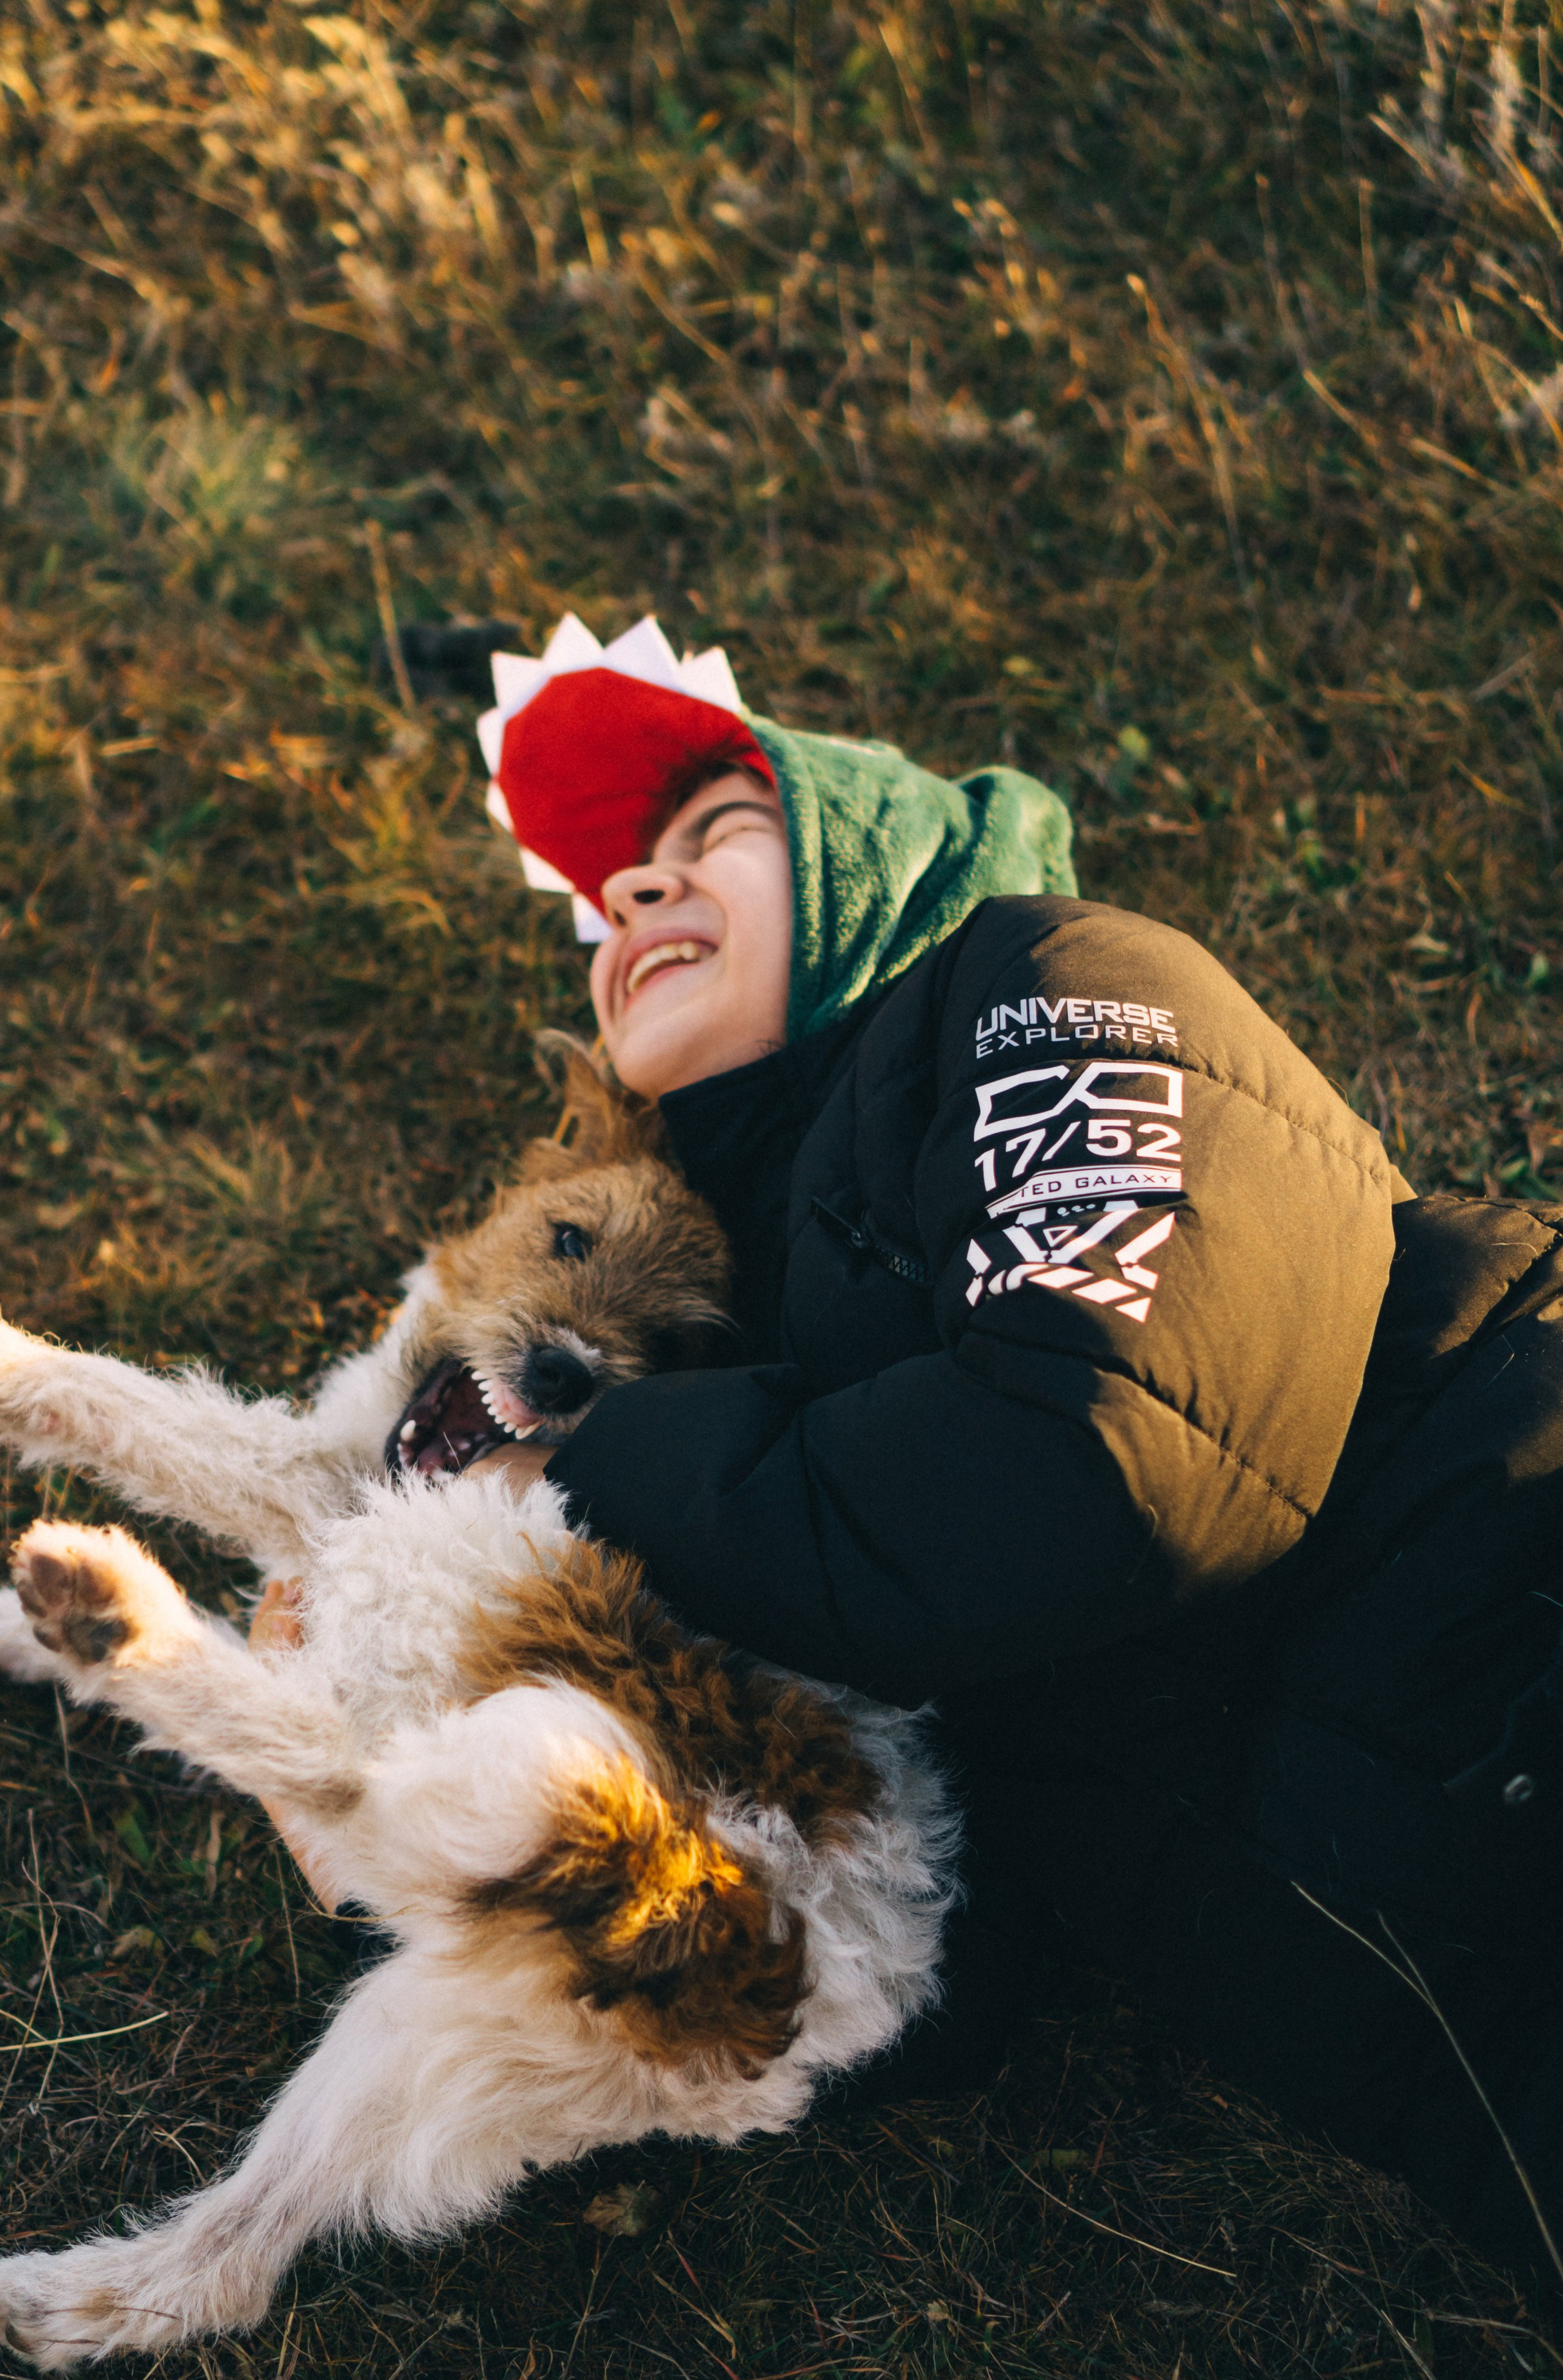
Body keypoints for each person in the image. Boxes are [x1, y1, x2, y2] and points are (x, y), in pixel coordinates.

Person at [375, 617, 1563, 2278]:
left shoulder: (1049, 980)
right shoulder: (742, 1343)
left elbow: (1092, 1469)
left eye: (718, 836)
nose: (638, 894)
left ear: (898, 864)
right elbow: (907, 1976)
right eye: (621, 885)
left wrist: (580, 1469)